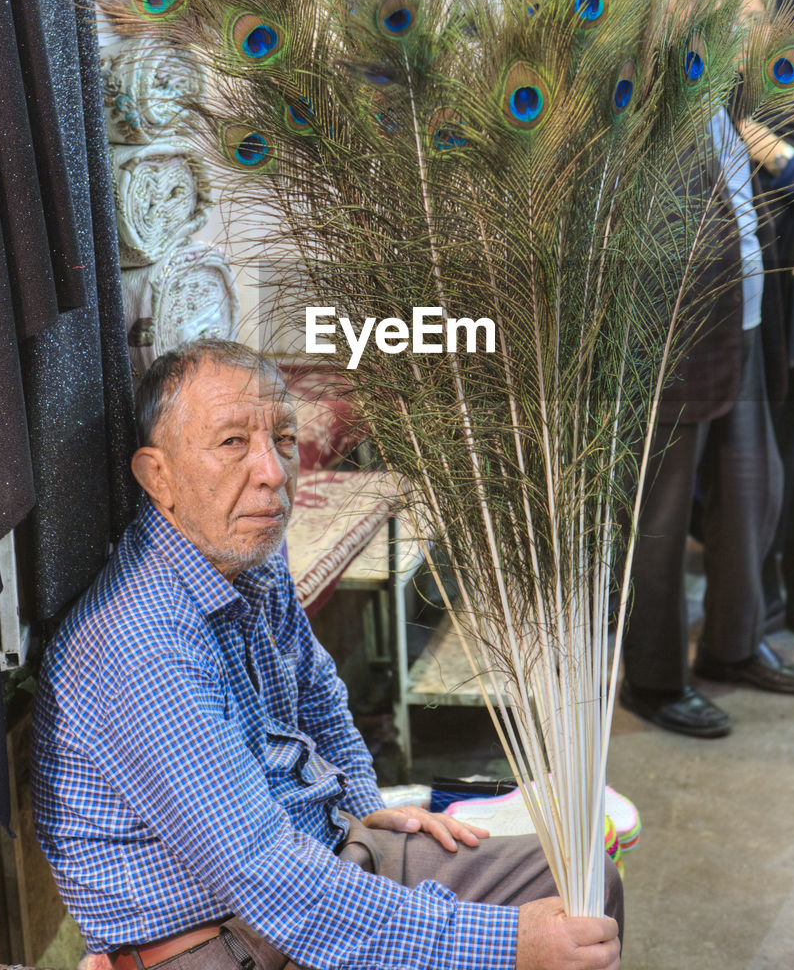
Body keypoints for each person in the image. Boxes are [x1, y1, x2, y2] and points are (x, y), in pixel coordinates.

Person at [31, 340, 622, 970]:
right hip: (222, 942)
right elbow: (275, 883)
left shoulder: (242, 553)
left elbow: (315, 689)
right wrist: (510, 944)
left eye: (283, 438)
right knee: (539, 939)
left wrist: (367, 805)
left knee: (585, 891)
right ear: (159, 476)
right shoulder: (142, 646)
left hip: (314, 855)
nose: (273, 472)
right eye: (232, 443)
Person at [619, 0, 794, 741]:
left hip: (741, 327)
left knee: (749, 494)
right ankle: (655, 681)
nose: (740, 16)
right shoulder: (634, 89)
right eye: (721, 1)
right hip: (670, 340)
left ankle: (733, 646)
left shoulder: (720, 83)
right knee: (660, 523)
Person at [741, 0, 794, 634]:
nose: (746, 27)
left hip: (793, 304)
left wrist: (777, 156)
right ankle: (764, 591)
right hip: (745, 301)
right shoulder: (733, 91)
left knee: (791, 454)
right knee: (756, 456)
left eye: (754, 13)